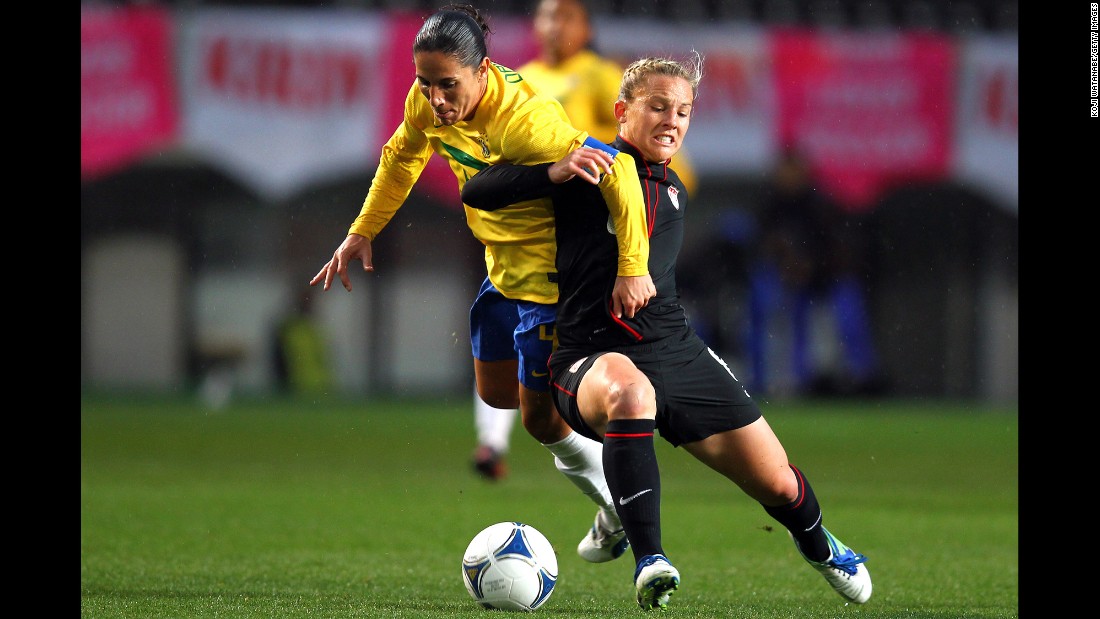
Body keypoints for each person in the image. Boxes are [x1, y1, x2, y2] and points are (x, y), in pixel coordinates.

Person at [461, 53, 872, 610]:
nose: (672, 121)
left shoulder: (673, 186)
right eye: (657, 107)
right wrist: (552, 171)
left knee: (777, 485)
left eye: (683, 111)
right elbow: (479, 190)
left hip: (675, 351)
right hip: (590, 353)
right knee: (630, 396)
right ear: (621, 112)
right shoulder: (590, 167)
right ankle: (650, 558)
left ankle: (823, 547)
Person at [309, 4, 651, 565]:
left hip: (548, 279)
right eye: (424, 83)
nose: (435, 99)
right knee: (497, 395)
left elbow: (617, 170)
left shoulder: (527, 123)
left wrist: (633, 266)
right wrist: (360, 232)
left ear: (483, 71)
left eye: (448, 85)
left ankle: (621, 506)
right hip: (501, 272)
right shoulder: (427, 104)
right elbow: (402, 156)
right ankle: (607, 463)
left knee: (540, 421)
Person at [468, 0, 699, 480]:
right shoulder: (521, 80)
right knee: (502, 367)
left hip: (582, 239)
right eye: (547, 16)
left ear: (584, 26)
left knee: (564, 379)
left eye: (566, 16)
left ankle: (642, 426)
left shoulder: (596, 75)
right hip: (521, 236)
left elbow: (632, 148)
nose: (555, 26)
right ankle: (493, 441)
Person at [748, 148, 884, 397]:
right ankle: (785, 382)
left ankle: (861, 381)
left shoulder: (819, 203)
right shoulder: (771, 203)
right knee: (781, 324)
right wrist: (788, 264)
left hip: (827, 277)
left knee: (848, 326)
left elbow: (837, 246)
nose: (787, 176)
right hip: (789, 280)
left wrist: (811, 266)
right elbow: (764, 243)